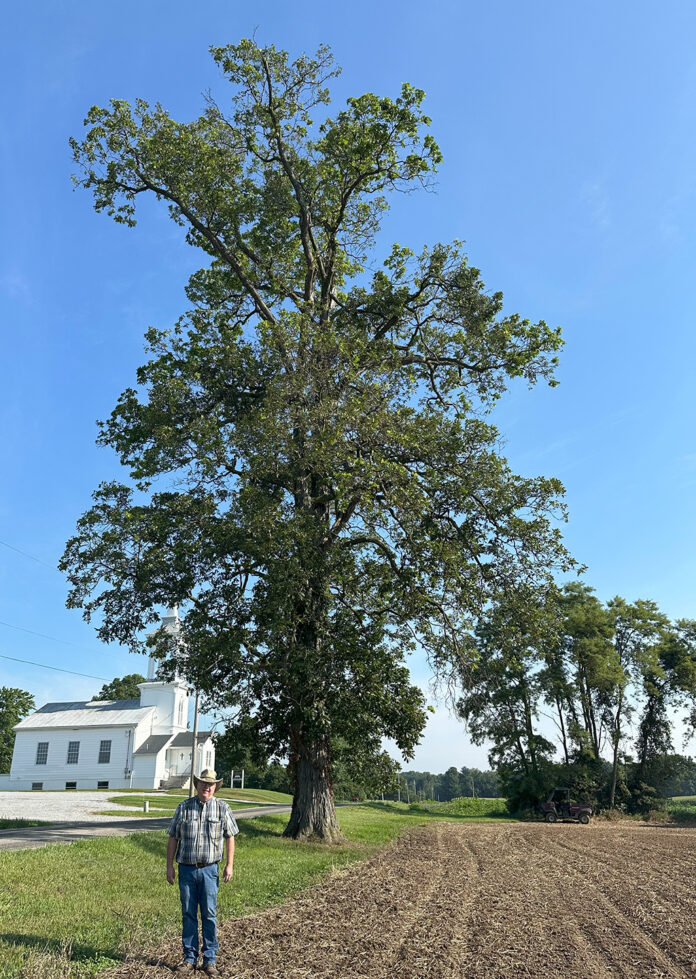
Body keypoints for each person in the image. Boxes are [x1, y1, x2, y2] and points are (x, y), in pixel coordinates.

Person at [167, 768, 239, 976]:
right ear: (196, 785)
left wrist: (229, 865)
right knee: (188, 913)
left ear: (215, 787)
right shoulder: (184, 808)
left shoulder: (222, 808)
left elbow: (230, 836)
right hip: (187, 870)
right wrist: (169, 866)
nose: (206, 787)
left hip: (209, 870)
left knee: (209, 914)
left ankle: (210, 959)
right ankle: (189, 958)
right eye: (203, 783)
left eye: (211, 784)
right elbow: (173, 837)